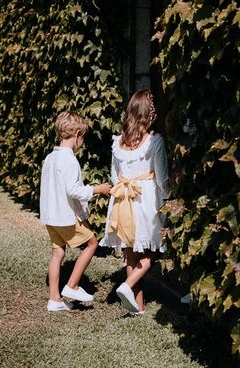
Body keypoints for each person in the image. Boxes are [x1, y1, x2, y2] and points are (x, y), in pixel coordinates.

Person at [100, 90, 170, 315]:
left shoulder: (118, 142)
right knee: (154, 251)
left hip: (122, 201)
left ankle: (137, 307)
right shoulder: (154, 142)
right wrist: (168, 197)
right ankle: (127, 285)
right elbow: (162, 177)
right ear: (150, 115)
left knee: (131, 252)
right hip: (145, 201)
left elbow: (114, 176)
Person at [40, 111, 111, 312]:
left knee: (57, 252)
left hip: (50, 216)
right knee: (91, 243)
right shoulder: (69, 160)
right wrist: (98, 189)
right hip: (66, 217)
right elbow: (73, 190)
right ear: (77, 134)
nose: (82, 143)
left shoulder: (50, 158)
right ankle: (72, 286)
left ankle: (54, 299)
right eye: (83, 138)